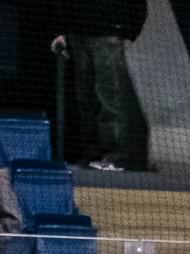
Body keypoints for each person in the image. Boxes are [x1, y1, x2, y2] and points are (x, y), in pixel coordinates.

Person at [52, 2, 150, 173]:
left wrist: (128, 29)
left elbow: (139, 5)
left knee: (109, 100)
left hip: (107, 34)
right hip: (79, 33)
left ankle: (116, 158)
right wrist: (63, 31)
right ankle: (92, 157)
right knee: (85, 100)